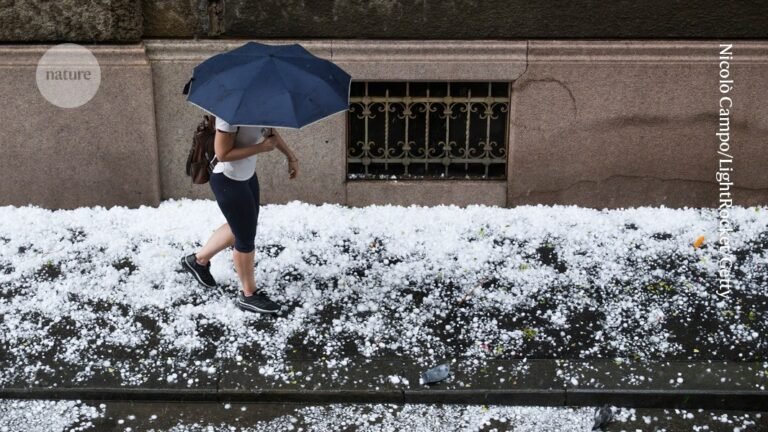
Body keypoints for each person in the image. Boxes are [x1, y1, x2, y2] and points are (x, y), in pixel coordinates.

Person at [181, 116, 299, 314]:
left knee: (243, 226)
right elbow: (223, 153)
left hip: (247, 175)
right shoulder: (229, 116)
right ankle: (248, 295)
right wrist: (261, 148)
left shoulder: (257, 107)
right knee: (245, 237)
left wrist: (290, 156)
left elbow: (268, 131)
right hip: (228, 179)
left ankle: (197, 261)